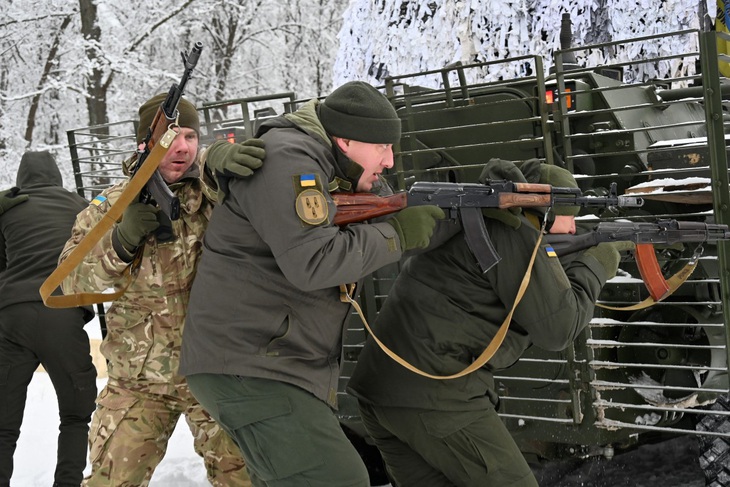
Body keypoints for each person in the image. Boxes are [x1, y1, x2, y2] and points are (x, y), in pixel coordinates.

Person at [179, 80, 447, 486]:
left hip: (267, 360)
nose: (390, 161)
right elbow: (314, 261)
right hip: (252, 363)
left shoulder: (336, 169)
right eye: (382, 148)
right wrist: (398, 235)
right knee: (338, 478)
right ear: (344, 141)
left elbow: (387, 217)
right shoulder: (290, 160)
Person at [346, 160, 635, 487]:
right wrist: (599, 263)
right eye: (567, 221)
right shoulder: (509, 232)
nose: (572, 230)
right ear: (541, 216)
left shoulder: (481, 215)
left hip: (382, 392)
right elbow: (560, 328)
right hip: (433, 395)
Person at [59, 93, 266, 487]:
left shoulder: (217, 196)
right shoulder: (110, 207)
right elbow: (69, 285)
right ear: (146, 143)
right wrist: (120, 241)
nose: (183, 146)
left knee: (247, 480)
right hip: (139, 383)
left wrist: (221, 163)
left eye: (191, 135)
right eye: (172, 135)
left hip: (217, 373)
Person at [0, 151, 97, 487]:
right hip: (61, 315)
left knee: (3, 423)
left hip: (12, 317)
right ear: (56, 176)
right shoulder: (79, 205)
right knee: (75, 413)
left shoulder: (7, 209)